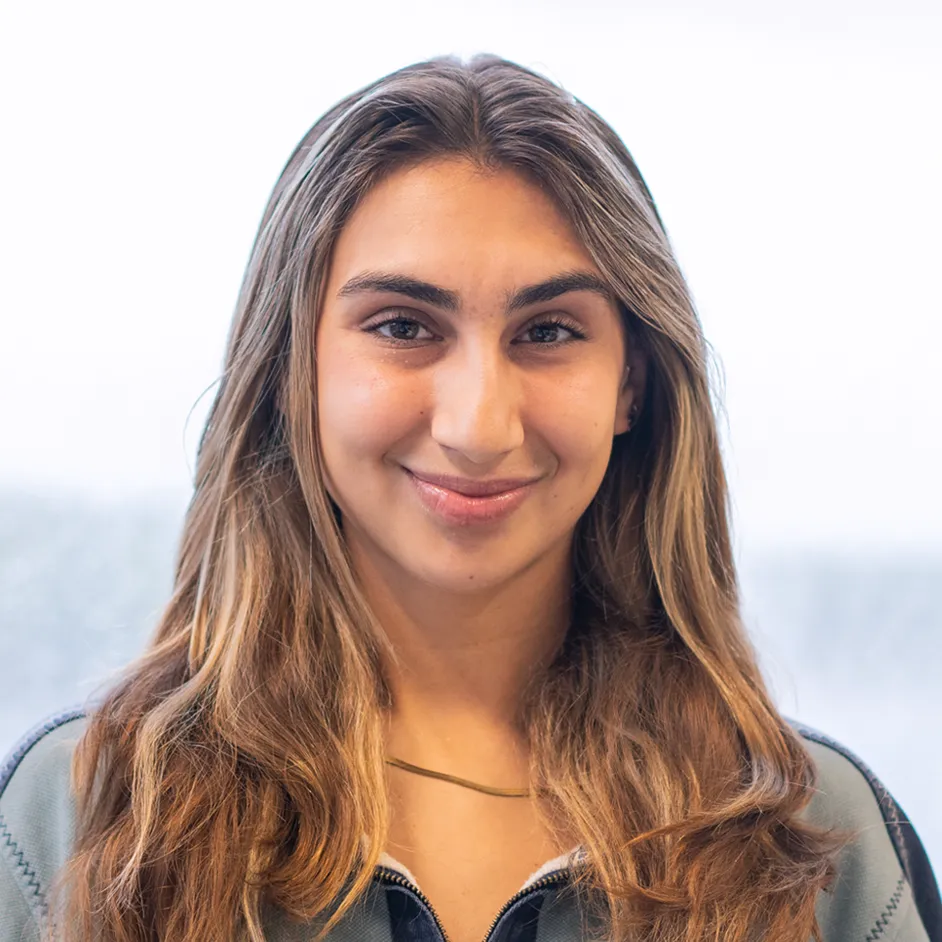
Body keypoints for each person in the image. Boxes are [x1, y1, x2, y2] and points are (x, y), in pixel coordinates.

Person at [0, 54, 938, 942]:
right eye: (404, 326)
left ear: (633, 387)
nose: (478, 425)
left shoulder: (824, 842)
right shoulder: (69, 816)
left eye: (549, 331)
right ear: (297, 371)